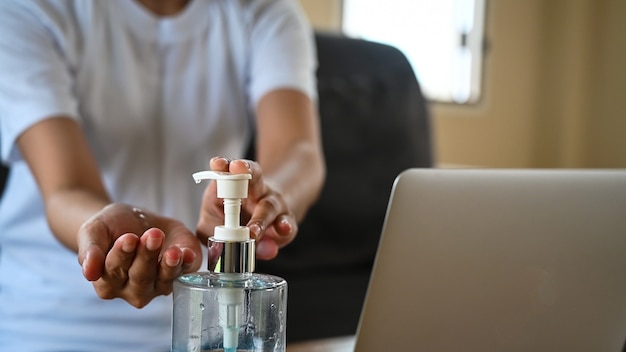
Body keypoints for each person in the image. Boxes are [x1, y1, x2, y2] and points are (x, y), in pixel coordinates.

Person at [0, 0, 325, 350]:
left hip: (204, 328)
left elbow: (298, 152)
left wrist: (270, 197)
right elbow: (66, 188)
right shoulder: (31, 10)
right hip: (51, 323)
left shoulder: (265, 11)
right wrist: (106, 236)